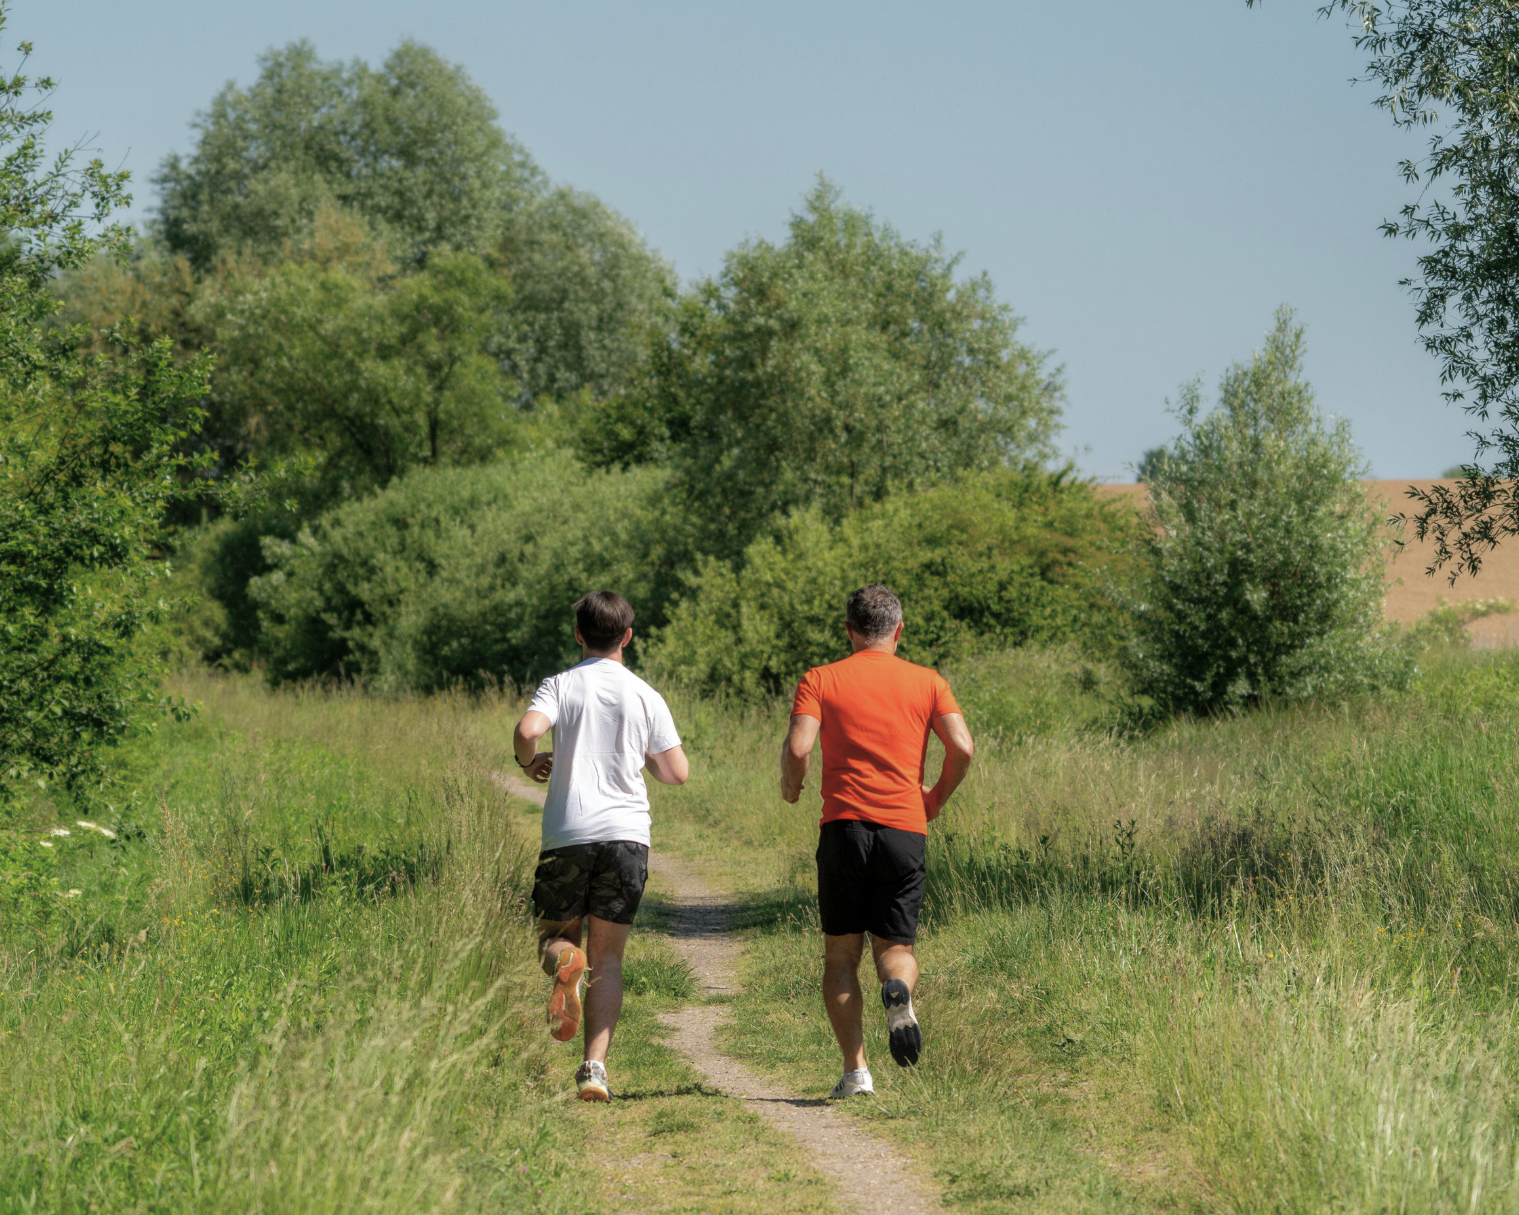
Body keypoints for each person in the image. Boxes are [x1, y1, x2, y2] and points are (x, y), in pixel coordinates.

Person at [779, 584, 974, 1099]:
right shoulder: (929, 681)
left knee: (841, 957)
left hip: (843, 830)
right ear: (898, 630)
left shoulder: (820, 679)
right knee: (897, 947)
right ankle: (899, 992)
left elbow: (800, 746)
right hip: (904, 830)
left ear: (850, 631)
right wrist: (931, 800)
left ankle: (856, 1072)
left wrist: (791, 785)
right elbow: (963, 747)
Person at [513, 590, 689, 1102]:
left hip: (568, 835)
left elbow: (527, 731)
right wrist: (645, 758)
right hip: (627, 839)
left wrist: (529, 763)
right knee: (608, 959)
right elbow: (676, 772)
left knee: (553, 938)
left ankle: (565, 961)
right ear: (627, 637)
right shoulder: (644, 694)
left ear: (578, 635)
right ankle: (594, 1068)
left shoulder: (562, 685)